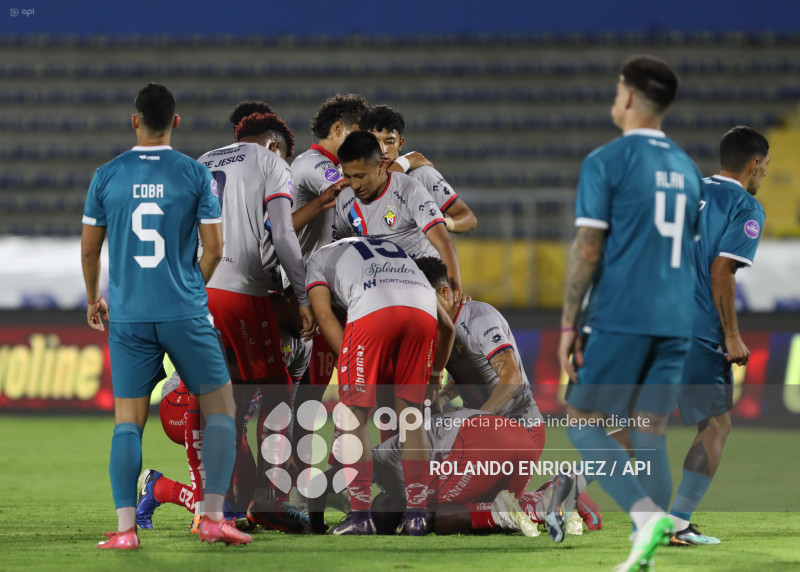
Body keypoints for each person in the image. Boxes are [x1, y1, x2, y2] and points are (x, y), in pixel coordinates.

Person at [81, 82, 251, 548]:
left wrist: (94, 298)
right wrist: (192, 287)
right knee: (221, 410)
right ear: (175, 122)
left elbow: (90, 250)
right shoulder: (195, 174)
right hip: (184, 311)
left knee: (127, 423)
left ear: (134, 120)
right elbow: (214, 248)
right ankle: (212, 518)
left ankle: (125, 530)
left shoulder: (107, 176)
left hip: (129, 316)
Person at [555, 56, 702, 571]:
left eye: (619, 88)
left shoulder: (608, 160)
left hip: (622, 314)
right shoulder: (688, 169)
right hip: (677, 317)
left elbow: (588, 248)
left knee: (581, 422)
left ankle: (644, 517)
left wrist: (569, 321)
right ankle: (647, 551)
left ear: (630, 96)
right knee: (650, 431)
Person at [197, 110, 314, 529]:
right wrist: (303, 295)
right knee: (278, 389)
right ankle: (271, 499)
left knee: (226, 396)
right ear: (275, 145)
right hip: (243, 290)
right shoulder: (270, 162)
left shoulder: (203, 161)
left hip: (200, 289)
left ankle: (227, 499)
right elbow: (282, 234)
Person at [305, 236, 454, 536]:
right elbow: (448, 328)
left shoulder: (316, 260)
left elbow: (323, 315)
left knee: (353, 415)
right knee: (411, 416)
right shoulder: (396, 251)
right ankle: (417, 517)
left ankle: (360, 517)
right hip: (422, 311)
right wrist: (436, 376)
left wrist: (349, 362)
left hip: (373, 310)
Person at [668, 126, 769, 545]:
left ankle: (568, 485)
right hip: (698, 327)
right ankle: (677, 525)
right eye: (766, 166)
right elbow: (721, 271)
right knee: (716, 425)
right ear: (754, 164)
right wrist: (731, 335)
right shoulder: (746, 207)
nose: (765, 174)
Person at [332, 131, 463, 294]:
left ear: (381, 166)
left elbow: (444, 244)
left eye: (360, 176)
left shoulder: (409, 190)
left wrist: (456, 291)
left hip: (424, 284)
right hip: (382, 289)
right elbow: (342, 247)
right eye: (348, 177)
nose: (354, 185)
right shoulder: (345, 199)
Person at [358, 104, 477, 233]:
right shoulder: (354, 179)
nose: (383, 150)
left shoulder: (421, 175)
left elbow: (468, 219)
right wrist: (402, 164)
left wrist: (440, 223)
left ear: (400, 143)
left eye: (390, 142)